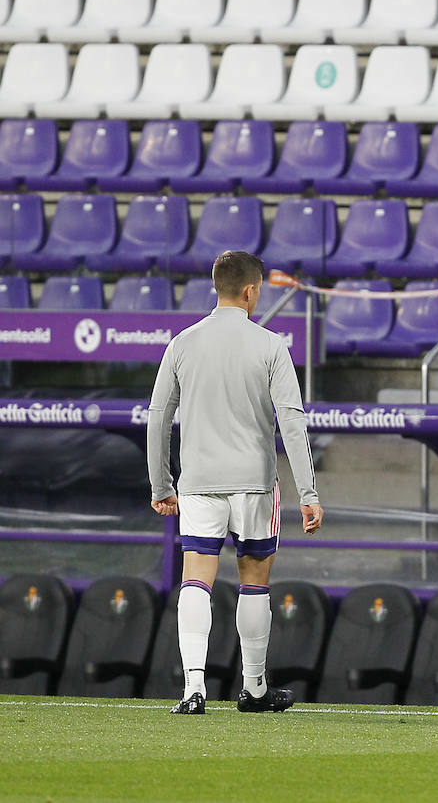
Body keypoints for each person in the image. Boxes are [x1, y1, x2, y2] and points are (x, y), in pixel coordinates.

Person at [146, 250, 323, 716]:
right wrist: (308, 492)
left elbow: (158, 417)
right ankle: (254, 688)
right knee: (254, 581)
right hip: (254, 484)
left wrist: (161, 483)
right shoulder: (271, 346)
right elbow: (292, 424)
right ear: (251, 290)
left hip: (198, 483)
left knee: (195, 580)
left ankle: (192, 690)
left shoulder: (182, 343)